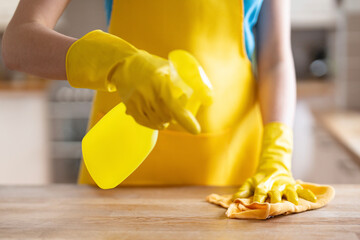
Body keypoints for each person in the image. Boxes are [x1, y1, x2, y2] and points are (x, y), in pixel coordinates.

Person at [2, 0, 316, 204]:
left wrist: (277, 152)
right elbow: (18, 42)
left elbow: (275, 59)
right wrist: (117, 63)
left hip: (235, 171)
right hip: (122, 165)